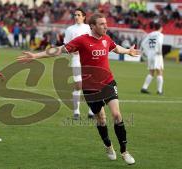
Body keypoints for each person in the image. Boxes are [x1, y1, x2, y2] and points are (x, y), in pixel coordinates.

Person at [17, 13, 140, 165]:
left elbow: (115, 48)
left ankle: (124, 151)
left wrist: (128, 51)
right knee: (101, 119)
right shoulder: (82, 41)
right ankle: (108, 145)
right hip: (89, 87)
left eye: (105, 23)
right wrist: (36, 56)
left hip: (108, 82)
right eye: (102, 24)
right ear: (92, 26)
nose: (106, 26)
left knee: (116, 114)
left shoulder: (106, 39)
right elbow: (59, 50)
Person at [63, 8, 94, 120]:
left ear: (84, 17)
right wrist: (73, 50)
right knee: (78, 85)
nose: (76, 17)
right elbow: (67, 45)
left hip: (89, 60)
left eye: (79, 15)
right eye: (75, 15)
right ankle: (76, 112)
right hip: (76, 60)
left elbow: (94, 41)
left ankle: (91, 112)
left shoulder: (89, 28)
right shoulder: (70, 29)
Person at [140, 23, 164, 95]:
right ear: (160, 27)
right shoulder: (160, 35)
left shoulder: (150, 34)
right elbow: (159, 42)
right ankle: (159, 91)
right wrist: (159, 51)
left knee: (151, 72)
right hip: (157, 54)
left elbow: (143, 44)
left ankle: (144, 88)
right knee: (159, 72)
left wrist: (148, 52)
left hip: (150, 55)